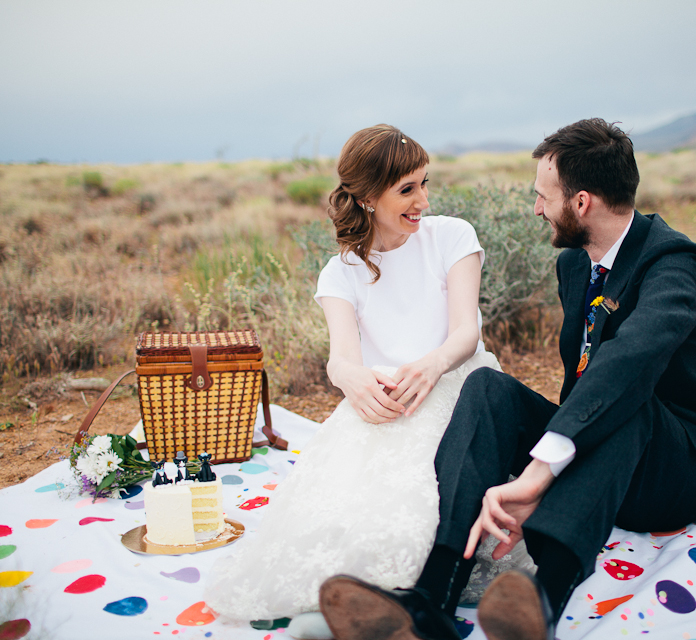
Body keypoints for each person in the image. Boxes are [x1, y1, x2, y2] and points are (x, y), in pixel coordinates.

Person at [317, 118, 696, 640]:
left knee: (631, 399)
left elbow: (629, 362)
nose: (537, 208)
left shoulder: (672, 262)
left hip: (677, 469)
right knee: (485, 387)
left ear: (581, 202)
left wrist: (543, 469)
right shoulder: (574, 265)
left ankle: (542, 601)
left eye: (544, 196)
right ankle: (432, 598)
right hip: (601, 454)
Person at [205, 125, 523, 637]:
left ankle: (409, 596)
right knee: (345, 485)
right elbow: (341, 360)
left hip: (458, 379)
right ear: (368, 198)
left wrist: (434, 364)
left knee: (421, 483)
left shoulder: (452, 236)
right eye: (407, 189)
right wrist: (352, 380)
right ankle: (347, 598)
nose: (422, 200)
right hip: (387, 392)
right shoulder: (342, 271)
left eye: (424, 183)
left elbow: (466, 332)